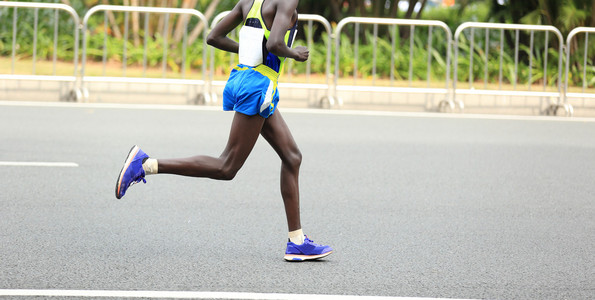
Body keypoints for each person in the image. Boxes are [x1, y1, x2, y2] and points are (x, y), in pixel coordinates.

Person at [114, 0, 332, 262]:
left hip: (247, 77)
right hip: (258, 86)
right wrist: (294, 53)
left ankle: (296, 242)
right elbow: (275, 44)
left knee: (292, 157)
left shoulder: (249, 2)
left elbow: (213, 37)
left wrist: (250, 50)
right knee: (226, 166)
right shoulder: (287, 1)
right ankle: (146, 164)